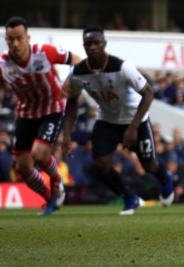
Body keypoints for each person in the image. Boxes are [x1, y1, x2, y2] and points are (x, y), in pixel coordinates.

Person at [61, 26, 174, 215]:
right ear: (84, 46)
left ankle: (165, 179)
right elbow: (72, 101)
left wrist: (133, 127)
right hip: (107, 121)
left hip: (136, 120)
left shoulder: (122, 67)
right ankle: (130, 197)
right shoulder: (77, 73)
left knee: (148, 165)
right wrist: (66, 134)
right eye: (89, 44)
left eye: (97, 43)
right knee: (101, 165)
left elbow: (148, 93)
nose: (93, 47)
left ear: (104, 44)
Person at [0, 16, 81, 215]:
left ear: (28, 38)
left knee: (39, 155)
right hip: (26, 113)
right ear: (6, 40)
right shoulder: (1, 64)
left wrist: (73, 81)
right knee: (23, 168)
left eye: (19, 38)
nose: (15, 43)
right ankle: (51, 199)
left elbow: (76, 59)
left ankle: (56, 178)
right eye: (11, 39)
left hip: (52, 108)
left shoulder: (44, 52)